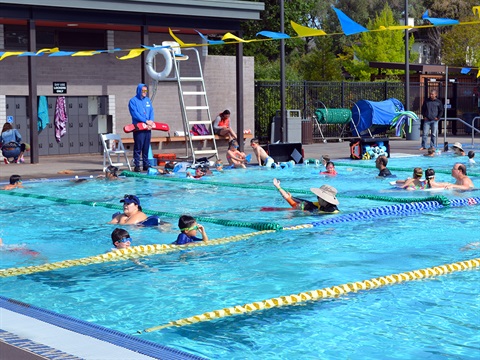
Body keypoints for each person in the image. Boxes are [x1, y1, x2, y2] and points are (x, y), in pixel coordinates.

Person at [273, 178, 339, 214]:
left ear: (324, 200)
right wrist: (278, 187)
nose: (317, 199)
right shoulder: (319, 205)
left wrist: (305, 212)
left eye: (318, 197)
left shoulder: (333, 211)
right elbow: (304, 202)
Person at [128, 83, 155, 172]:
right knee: (138, 146)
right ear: (139, 91)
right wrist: (145, 121)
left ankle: (146, 164)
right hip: (139, 127)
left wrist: (150, 121)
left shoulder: (148, 100)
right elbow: (135, 114)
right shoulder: (133, 101)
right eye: (143, 91)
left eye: (146, 91)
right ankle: (136, 165)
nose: (144, 92)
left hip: (147, 127)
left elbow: (151, 111)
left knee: (146, 146)